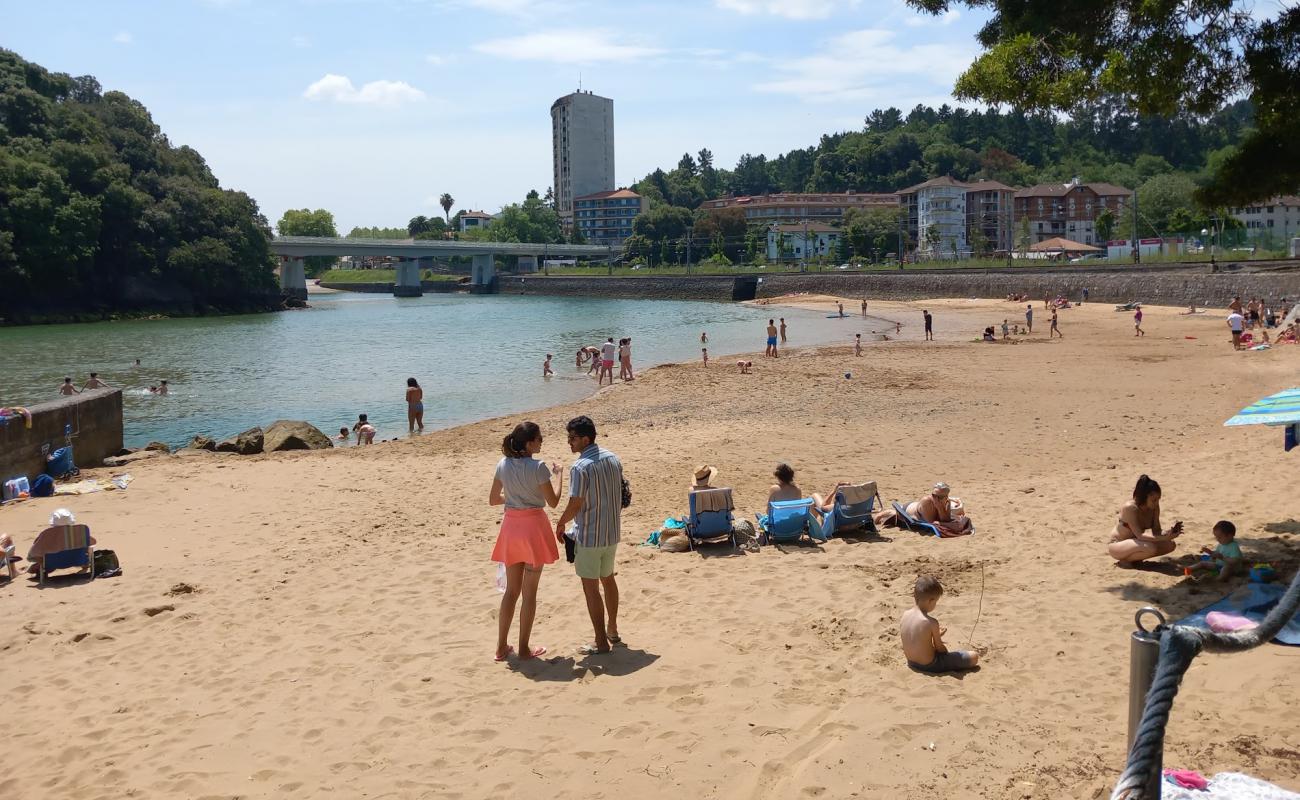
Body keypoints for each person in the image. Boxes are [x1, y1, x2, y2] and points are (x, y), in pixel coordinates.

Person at [490, 421, 563, 662]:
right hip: (533, 527)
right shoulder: (538, 467)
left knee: (511, 591)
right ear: (529, 443)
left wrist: (513, 498)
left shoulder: (503, 464)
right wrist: (560, 476)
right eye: (539, 438)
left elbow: (493, 499)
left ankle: (501, 647)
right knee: (529, 592)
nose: (541, 441)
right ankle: (523, 648)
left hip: (512, 526)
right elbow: (553, 502)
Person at [555, 416, 624, 655]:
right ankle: (612, 630)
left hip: (591, 535)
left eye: (572, 438)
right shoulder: (613, 458)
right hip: (611, 532)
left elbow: (575, 503)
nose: (569, 442)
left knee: (591, 588)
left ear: (585, 439)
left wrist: (561, 523)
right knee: (608, 579)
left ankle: (600, 641)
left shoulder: (580, 467)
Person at [901, 575, 979, 673]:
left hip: (911, 662)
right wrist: (938, 638)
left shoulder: (905, 614)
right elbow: (940, 649)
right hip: (930, 665)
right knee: (974, 656)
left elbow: (915, 638)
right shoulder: (931, 622)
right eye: (936, 602)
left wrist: (934, 634)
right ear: (931, 601)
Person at [1107, 474, 1183, 565]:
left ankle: (1135, 559)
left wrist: (1170, 532)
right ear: (1144, 497)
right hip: (1118, 544)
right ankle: (1126, 560)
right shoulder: (1130, 508)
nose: (1156, 503)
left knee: (1170, 545)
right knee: (1150, 548)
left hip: (1137, 543)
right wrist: (1164, 537)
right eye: (1154, 500)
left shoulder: (1154, 508)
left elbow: (1157, 531)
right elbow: (1140, 535)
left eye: (1158, 499)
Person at [907, 483, 972, 536]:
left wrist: (940, 508)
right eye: (933, 495)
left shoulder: (947, 501)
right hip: (908, 507)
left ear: (946, 497)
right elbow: (931, 523)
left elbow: (946, 519)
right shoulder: (926, 501)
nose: (935, 498)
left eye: (939, 497)